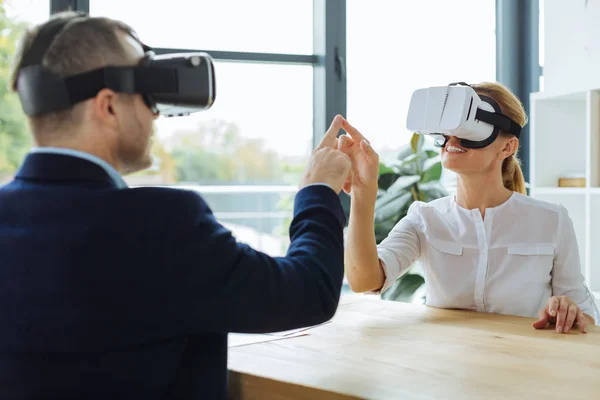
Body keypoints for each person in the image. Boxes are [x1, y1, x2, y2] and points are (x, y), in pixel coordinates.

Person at [0, 12, 356, 399]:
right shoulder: (160, 225)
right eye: (147, 93)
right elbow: (308, 291)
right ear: (108, 107)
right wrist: (319, 189)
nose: (155, 113)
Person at [342, 81, 598, 334]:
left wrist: (569, 310)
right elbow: (364, 280)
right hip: (447, 365)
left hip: (523, 365)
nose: (453, 138)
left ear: (508, 147)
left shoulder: (552, 220)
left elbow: (586, 315)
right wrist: (363, 193)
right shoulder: (425, 218)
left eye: (468, 127)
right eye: (448, 127)